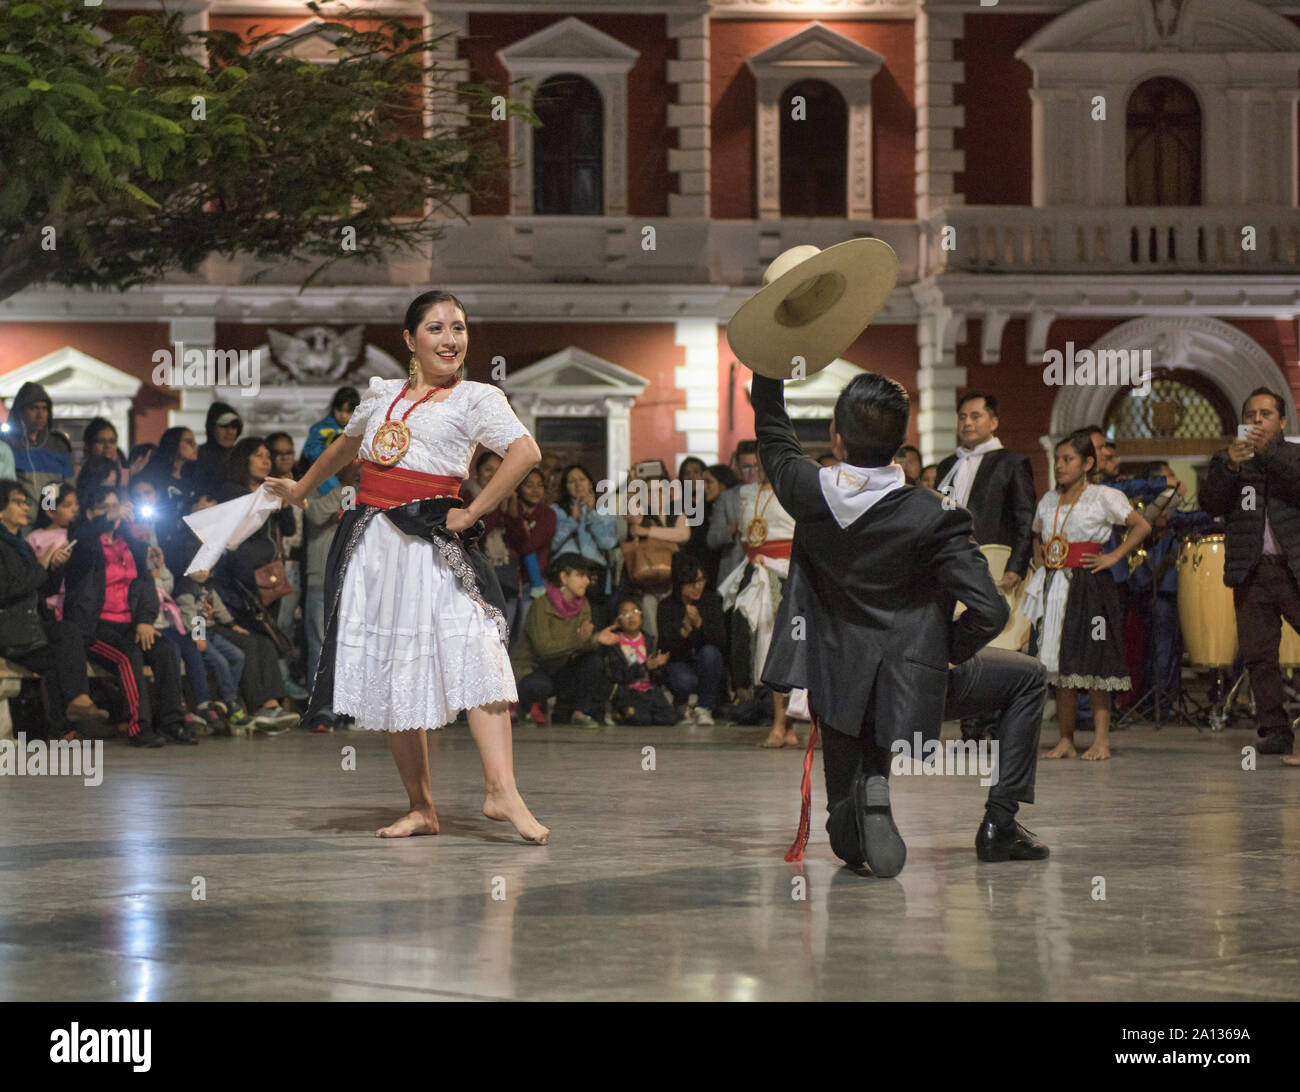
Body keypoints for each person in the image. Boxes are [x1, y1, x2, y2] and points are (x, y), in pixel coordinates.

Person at [264, 289, 551, 843]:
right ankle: (421, 807)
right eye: (438, 328)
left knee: (481, 652)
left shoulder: (476, 398)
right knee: (399, 675)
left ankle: (502, 792)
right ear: (410, 339)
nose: (452, 340)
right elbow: (347, 447)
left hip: (434, 541)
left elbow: (526, 453)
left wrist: (474, 510)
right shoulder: (381, 395)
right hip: (377, 547)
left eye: (460, 328)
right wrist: (300, 489)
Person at [749, 370, 1050, 874]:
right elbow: (991, 609)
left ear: (837, 438)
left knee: (847, 841)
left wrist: (769, 363)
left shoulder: (806, 490)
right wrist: (944, 650)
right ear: (900, 444)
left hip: (837, 687)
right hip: (916, 687)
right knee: (1029, 679)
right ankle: (999, 823)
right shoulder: (934, 514)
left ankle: (861, 797)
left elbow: (773, 433)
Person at [1022, 431, 1150, 761]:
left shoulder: (1103, 496)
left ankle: (1101, 740)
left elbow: (1141, 526)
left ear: (1087, 463)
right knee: (1061, 663)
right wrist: (1039, 559)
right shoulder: (1048, 500)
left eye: (1068, 459)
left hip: (1090, 585)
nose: (1060, 466)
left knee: (1094, 660)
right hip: (1055, 586)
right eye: (1057, 459)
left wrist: (1113, 556)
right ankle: (1065, 739)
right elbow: (1036, 534)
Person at [1201, 388, 1300, 757]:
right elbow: (1211, 503)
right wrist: (1229, 467)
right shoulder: (1227, 460)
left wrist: (1267, 454)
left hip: (1293, 567)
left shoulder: (1293, 455)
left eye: (1265, 415)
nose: (1256, 421)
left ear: (1283, 421)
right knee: (1260, 656)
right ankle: (1275, 730)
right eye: (1251, 415)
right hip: (1251, 571)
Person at [933, 391, 1036, 741]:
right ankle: (969, 726)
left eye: (976, 416)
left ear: (993, 422)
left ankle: (991, 727)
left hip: (994, 566)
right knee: (958, 638)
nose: (967, 422)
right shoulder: (948, 465)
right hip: (951, 567)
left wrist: (1017, 564)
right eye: (963, 416)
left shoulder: (1011, 462)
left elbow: (1025, 518)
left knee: (995, 640)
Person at [62, 485, 194, 747]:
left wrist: (144, 620)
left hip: (129, 624)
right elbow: (84, 537)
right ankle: (139, 727)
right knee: (128, 656)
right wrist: (106, 518)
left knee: (166, 649)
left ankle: (172, 722)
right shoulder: (83, 542)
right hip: (94, 627)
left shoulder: (130, 544)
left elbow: (145, 585)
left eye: (116, 506)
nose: (114, 513)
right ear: (90, 512)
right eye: (106, 507)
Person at [0, 479, 111, 738]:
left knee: (66, 635)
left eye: (26, 502)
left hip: (29, 625)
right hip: (10, 630)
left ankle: (75, 708)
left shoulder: (20, 545)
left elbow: (44, 590)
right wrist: (41, 565)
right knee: (59, 650)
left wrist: (54, 568)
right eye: (17, 502)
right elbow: (7, 591)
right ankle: (66, 721)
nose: (25, 507)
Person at [717, 442, 797, 749]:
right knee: (766, 646)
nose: (761, 465)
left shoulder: (794, 489)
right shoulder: (747, 494)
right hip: (757, 571)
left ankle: (786, 723)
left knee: (787, 646)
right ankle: (780, 722)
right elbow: (746, 535)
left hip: (789, 573)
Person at [511, 553, 618, 727]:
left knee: (594, 662)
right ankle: (524, 707)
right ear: (563, 577)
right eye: (580, 575)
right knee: (539, 686)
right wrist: (579, 641)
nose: (586, 581)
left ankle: (580, 713)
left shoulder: (583, 605)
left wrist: (595, 640)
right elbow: (543, 649)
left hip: (559, 667)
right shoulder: (541, 605)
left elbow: (581, 644)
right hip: (533, 669)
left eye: (587, 576)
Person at [656, 552, 726, 724]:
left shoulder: (710, 601)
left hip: (706, 663)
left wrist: (700, 624)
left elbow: (721, 640)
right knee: (684, 680)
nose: (697, 587)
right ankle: (682, 704)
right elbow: (665, 646)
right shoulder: (666, 606)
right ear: (680, 584)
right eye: (691, 583)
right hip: (680, 662)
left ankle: (704, 708)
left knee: (710, 652)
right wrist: (684, 631)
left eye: (700, 581)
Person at [551, 464, 618, 624]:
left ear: (590, 483)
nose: (578, 484)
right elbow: (552, 545)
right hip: (565, 580)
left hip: (594, 579)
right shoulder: (555, 511)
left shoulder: (604, 512)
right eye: (571, 481)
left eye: (582, 479)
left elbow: (608, 543)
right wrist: (571, 521)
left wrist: (592, 513)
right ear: (565, 487)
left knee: (594, 627)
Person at [4, 382, 72, 529]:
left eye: (44, 408)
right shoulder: (7, 445)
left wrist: (52, 516)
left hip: (51, 525)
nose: (40, 414)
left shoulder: (59, 446)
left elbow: (67, 488)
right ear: (21, 411)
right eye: (34, 408)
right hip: (18, 524)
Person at [605, 596, 675, 726]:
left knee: (668, 718)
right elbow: (618, 675)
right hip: (628, 691)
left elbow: (656, 675)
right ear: (617, 621)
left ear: (642, 617)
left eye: (635, 612)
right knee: (640, 720)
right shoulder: (614, 642)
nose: (631, 617)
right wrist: (644, 667)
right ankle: (618, 712)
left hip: (650, 690)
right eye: (625, 613)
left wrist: (657, 666)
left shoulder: (648, 641)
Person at [502, 468, 556, 603]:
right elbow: (508, 540)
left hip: (535, 581)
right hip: (508, 577)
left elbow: (529, 544)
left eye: (540, 485)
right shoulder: (510, 508)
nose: (535, 490)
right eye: (529, 485)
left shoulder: (548, 514)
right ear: (519, 487)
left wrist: (519, 530)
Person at [27, 481, 78, 620]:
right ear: (50, 511)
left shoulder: (77, 534)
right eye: (67, 505)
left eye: (76, 504)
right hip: (46, 604)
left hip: (71, 601)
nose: (75, 509)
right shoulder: (35, 538)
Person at [192, 401, 243, 494]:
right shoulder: (197, 455)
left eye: (234, 427)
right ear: (211, 427)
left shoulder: (242, 457)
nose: (230, 432)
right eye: (224, 426)